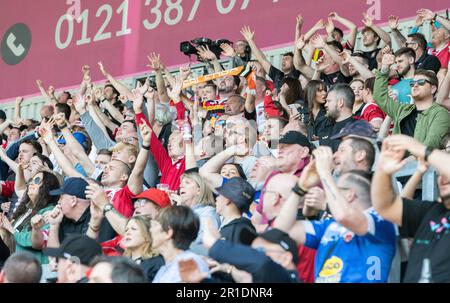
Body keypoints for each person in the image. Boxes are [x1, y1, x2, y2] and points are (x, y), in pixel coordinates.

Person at [274, 148, 397, 283]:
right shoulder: (330, 226)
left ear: (350, 195)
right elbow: (281, 230)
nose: (329, 195)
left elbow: (343, 215)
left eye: (336, 189)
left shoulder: (381, 222)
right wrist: (300, 188)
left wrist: (325, 173)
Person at [372, 137, 450, 282]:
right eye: (441, 174)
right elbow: (385, 206)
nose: (443, 179)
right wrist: (382, 170)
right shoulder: (432, 212)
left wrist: (422, 149)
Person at [375, 54, 450, 149]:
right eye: (412, 83)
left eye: (421, 82)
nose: (415, 85)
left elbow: (430, 145)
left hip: (418, 162)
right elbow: (379, 97)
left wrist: (410, 159)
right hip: (396, 159)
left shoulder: (441, 114)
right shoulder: (401, 109)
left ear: (433, 89)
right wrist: (385, 68)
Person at [0, 170, 60, 264]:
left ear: (47, 186)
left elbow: (34, 240)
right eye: (31, 180)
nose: (31, 183)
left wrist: (11, 229)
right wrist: (4, 228)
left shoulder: (49, 212)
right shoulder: (26, 210)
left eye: (36, 180)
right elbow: (14, 242)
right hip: (18, 264)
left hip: (35, 268)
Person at [151, 206, 210, 283]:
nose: (150, 230)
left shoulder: (190, 263)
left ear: (168, 233)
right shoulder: (165, 269)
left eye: (155, 225)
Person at [173, 170, 220, 255]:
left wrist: (180, 211)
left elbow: (200, 242)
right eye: (181, 183)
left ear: (199, 190)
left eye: (187, 183)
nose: (181, 186)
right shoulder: (178, 209)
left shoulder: (208, 212)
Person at [122, 216, 165, 282]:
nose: (128, 232)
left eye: (133, 229)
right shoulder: (122, 263)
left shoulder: (157, 263)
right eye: (126, 230)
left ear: (147, 235)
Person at [215, 177, 256, 243]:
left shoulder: (233, 231)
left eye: (220, 195)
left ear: (227, 200)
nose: (217, 198)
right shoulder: (245, 228)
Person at [320, 83, 358, 151]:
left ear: (340, 103)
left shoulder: (358, 129)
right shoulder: (325, 127)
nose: (325, 104)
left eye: (329, 101)